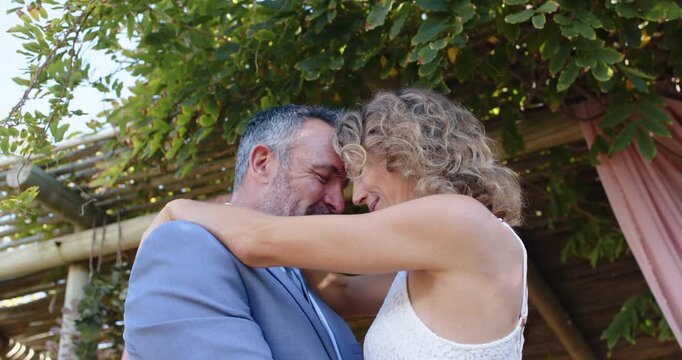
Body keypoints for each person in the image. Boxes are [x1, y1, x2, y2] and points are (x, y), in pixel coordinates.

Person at [148, 88, 529, 359]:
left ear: (399, 153)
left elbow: (256, 240)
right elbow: (338, 289)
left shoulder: (455, 218)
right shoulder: (446, 256)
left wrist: (176, 209)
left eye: (359, 171)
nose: (356, 196)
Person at [123, 105, 364, 359]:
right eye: (323, 177)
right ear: (262, 163)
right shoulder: (184, 245)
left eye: (343, 185)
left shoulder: (313, 282)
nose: (339, 203)